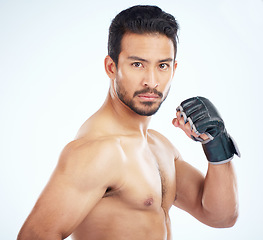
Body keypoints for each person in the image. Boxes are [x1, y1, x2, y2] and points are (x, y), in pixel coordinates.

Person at [17, 5, 240, 240]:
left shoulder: (159, 146)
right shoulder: (99, 151)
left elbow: (220, 216)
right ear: (111, 67)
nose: (152, 81)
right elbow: (34, 235)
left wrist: (217, 142)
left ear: (173, 69)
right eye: (137, 64)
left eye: (162, 65)